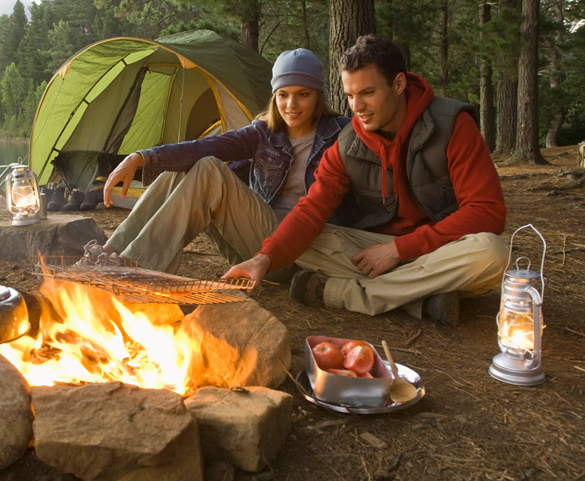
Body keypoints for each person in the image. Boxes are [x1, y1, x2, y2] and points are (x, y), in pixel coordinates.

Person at [224, 35, 509, 326]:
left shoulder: (451, 125)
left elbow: (487, 211)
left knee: (492, 253)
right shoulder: (348, 143)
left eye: (368, 93)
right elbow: (311, 210)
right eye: (349, 95)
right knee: (305, 239)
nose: (357, 106)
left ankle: (346, 293)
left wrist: (400, 250)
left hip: (440, 249)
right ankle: (423, 293)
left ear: (398, 84)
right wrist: (264, 259)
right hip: (372, 252)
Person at [88, 48, 350, 276]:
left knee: (209, 169)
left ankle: (135, 267)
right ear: (274, 97)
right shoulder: (264, 133)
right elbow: (208, 145)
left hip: (296, 254)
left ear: (318, 95)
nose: (291, 104)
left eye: (302, 94)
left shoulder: (341, 135)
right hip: (249, 250)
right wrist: (142, 157)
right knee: (193, 163)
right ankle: (109, 252)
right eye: (283, 95)